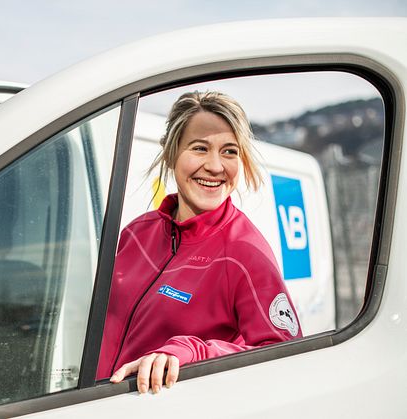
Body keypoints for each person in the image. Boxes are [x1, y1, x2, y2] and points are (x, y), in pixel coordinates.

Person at [99, 91, 302, 394]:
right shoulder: (136, 234)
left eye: (230, 152)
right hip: (94, 402)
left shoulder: (244, 252)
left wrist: (194, 352)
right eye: (200, 148)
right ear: (170, 152)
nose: (215, 166)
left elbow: (286, 353)